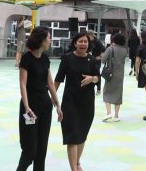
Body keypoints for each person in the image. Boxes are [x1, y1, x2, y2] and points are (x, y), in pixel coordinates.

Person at [17, 27, 62, 171]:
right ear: (41, 40)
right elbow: (23, 84)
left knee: (42, 150)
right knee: (30, 149)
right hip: (31, 107)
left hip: (45, 105)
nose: (50, 40)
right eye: (49, 37)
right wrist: (27, 106)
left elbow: (50, 83)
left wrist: (57, 104)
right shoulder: (27, 59)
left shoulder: (45, 59)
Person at [54, 32, 99, 170]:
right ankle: (74, 168)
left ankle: (77, 163)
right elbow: (58, 80)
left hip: (87, 104)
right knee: (72, 137)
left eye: (85, 42)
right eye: (80, 41)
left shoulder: (92, 60)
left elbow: (98, 77)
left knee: (82, 135)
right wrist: (53, 101)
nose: (83, 44)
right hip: (70, 103)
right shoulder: (67, 58)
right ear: (75, 43)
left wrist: (92, 79)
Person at [101, 32, 128, 122]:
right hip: (120, 75)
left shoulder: (110, 49)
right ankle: (116, 116)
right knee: (118, 94)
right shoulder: (125, 50)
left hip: (110, 74)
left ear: (114, 40)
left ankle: (109, 113)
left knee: (106, 92)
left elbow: (103, 60)